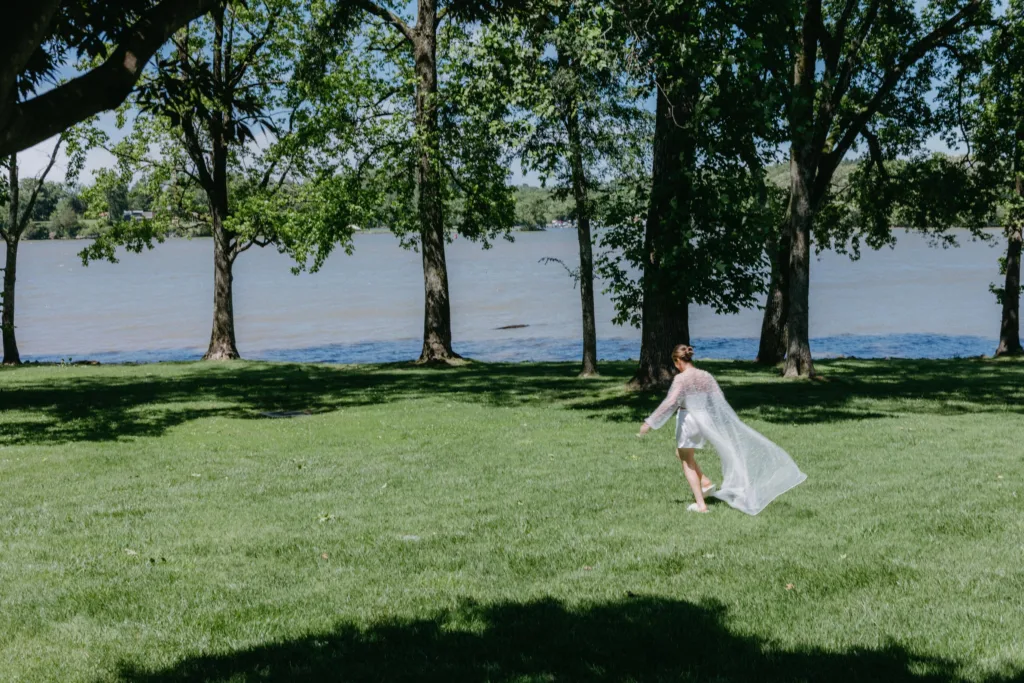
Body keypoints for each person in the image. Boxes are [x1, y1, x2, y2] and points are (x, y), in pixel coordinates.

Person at [637, 344, 806, 515]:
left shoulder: (681, 378)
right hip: (703, 420)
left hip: (688, 420)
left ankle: (701, 505)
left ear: (677, 361)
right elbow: (718, 400)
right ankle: (705, 482)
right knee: (681, 453)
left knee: (687, 462)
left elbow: (670, 402)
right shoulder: (705, 375)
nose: (676, 367)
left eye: (675, 363)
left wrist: (650, 422)